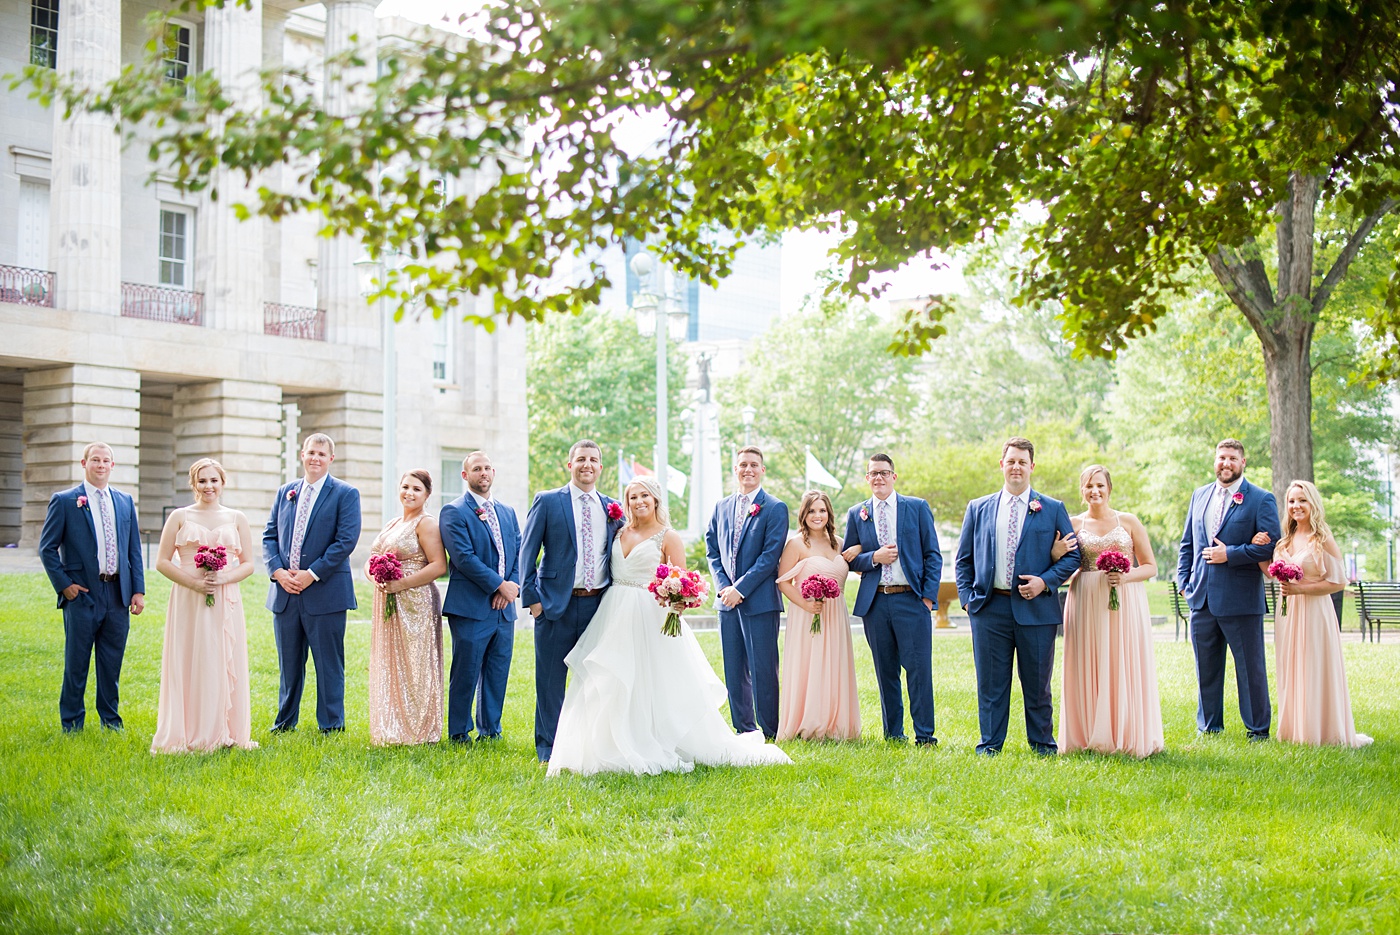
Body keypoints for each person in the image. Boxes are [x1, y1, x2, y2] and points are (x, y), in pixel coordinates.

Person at [547, 477, 793, 776]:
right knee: (612, 677)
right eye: (633, 496)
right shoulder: (618, 531)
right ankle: (607, 744)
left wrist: (677, 602)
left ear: (656, 500)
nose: (639, 501)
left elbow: (682, 582)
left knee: (655, 680)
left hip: (651, 616)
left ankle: (658, 738)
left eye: (645, 496)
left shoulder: (668, 536)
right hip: (613, 612)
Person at [955, 437, 1080, 755]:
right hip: (989, 607)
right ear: (1002, 464)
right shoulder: (978, 508)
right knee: (991, 684)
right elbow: (963, 559)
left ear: (1032, 467)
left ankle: (1042, 745)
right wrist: (969, 601)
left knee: (1037, 683)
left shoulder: (1051, 509)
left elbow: (1073, 556)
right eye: (1011, 461)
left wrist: (1045, 582)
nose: (1016, 467)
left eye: (1022, 462)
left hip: (1035, 608)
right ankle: (990, 745)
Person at [520, 439, 624, 762]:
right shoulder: (549, 502)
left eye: (593, 460)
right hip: (554, 606)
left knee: (595, 679)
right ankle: (549, 750)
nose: (587, 465)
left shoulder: (611, 507)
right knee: (550, 680)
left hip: (598, 606)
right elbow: (527, 552)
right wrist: (533, 600)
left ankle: (589, 746)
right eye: (580, 459)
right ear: (570, 465)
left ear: (601, 468)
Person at [1054, 465, 1164, 757]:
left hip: (1125, 599)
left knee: (1122, 659)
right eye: (1089, 486)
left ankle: (1126, 732)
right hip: (1086, 598)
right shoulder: (1073, 525)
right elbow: (1062, 572)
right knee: (1089, 660)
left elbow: (1151, 566)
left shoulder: (1128, 521)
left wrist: (1125, 578)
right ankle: (1086, 732)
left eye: (1100, 485)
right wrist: (1055, 554)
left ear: (1109, 488)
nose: (1095, 491)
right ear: (1082, 491)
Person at [151, 459, 259, 753]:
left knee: (221, 657)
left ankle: (226, 730)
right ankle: (189, 731)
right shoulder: (179, 516)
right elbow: (161, 561)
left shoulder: (237, 518)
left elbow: (249, 564)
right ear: (193, 484)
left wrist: (222, 578)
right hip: (188, 597)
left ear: (223, 483)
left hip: (225, 599)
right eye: (202, 481)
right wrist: (194, 583)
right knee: (190, 657)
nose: (208, 486)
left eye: (214, 480)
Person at [1176, 438, 1279, 741]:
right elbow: (1187, 545)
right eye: (1222, 457)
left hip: (1241, 600)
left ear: (1243, 463)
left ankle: (1257, 731)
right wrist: (1185, 584)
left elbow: (1272, 546)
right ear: (1215, 460)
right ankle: (1209, 728)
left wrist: (1230, 554)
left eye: (1233, 458)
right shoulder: (1200, 496)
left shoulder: (1261, 499)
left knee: (1250, 671)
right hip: (1202, 598)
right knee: (1206, 669)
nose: (1226, 463)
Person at [39, 441, 146, 732]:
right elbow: (47, 549)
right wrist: (66, 586)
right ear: (84, 464)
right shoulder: (65, 501)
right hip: (82, 594)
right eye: (95, 460)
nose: (101, 465)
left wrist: (138, 590)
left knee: (111, 663)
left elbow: (133, 550)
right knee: (77, 663)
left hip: (118, 594)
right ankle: (72, 723)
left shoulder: (124, 501)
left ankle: (110, 721)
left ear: (113, 466)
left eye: (106, 460)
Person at [263, 433, 362, 734]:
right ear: (301, 455)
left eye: (322, 454)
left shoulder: (345, 493)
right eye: (311, 453)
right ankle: (284, 723)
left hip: (325, 592)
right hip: (285, 593)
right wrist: (278, 572)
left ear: (331, 459)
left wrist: (312, 573)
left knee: (328, 664)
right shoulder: (286, 492)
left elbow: (345, 541)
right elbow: (269, 537)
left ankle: (331, 725)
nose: (315, 458)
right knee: (289, 666)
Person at [841, 454, 943, 746]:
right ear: (867, 478)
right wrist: (874, 557)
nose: (879, 478)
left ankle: (925, 736)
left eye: (884, 473)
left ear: (894, 476)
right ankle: (894, 734)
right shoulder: (857, 513)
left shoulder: (916, 507)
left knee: (918, 669)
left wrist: (926, 598)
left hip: (911, 599)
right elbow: (849, 559)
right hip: (876, 604)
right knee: (886, 671)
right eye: (873, 473)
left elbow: (932, 555)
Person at [1265, 480, 1372, 747]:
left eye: (1302, 500)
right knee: (1291, 667)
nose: (1296, 506)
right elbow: (1270, 572)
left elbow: (1338, 582)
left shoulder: (1322, 539)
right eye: (1291, 501)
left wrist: (1302, 589)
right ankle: (1294, 730)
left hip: (1314, 612)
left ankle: (1321, 730)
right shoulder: (1285, 540)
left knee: (1313, 666)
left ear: (1313, 503)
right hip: (1288, 615)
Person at [704, 446, 790, 740]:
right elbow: (712, 549)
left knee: (763, 668)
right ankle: (743, 729)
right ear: (735, 469)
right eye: (743, 465)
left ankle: (769, 730)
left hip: (760, 602)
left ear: (762, 470)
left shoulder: (775, 508)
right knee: (734, 669)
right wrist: (724, 588)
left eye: (754, 465)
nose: (748, 469)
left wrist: (740, 589)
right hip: (727, 603)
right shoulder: (721, 506)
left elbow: (770, 556)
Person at [440, 452, 520, 743]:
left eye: (487, 468)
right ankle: (459, 731)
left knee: (498, 671)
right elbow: (464, 558)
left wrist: (511, 585)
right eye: (476, 469)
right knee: (467, 670)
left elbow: (519, 552)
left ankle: (491, 730)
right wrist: (499, 585)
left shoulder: (507, 512)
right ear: (465, 476)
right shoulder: (454, 511)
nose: (483, 473)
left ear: (494, 472)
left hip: (503, 609)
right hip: (471, 606)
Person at [365, 470, 448, 746]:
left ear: (427, 495)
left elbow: (438, 565)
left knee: (415, 663)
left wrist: (401, 585)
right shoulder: (393, 523)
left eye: (416, 489)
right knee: (392, 662)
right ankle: (393, 724)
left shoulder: (426, 524)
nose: (409, 493)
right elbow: (371, 558)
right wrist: (374, 576)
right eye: (405, 487)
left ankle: (418, 730)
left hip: (416, 602)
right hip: (387, 600)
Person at [775, 490, 860, 741]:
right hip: (807, 614)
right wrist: (806, 605)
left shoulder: (840, 543)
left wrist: (861, 547)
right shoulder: (796, 544)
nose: (817, 515)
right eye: (812, 510)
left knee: (834, 663)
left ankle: (837, 725)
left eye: (822, 510)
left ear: (829, 513)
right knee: (809, 664)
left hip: (836, 615)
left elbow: (860, 566)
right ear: (804, 514)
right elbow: (783, 582)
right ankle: (809, 724)